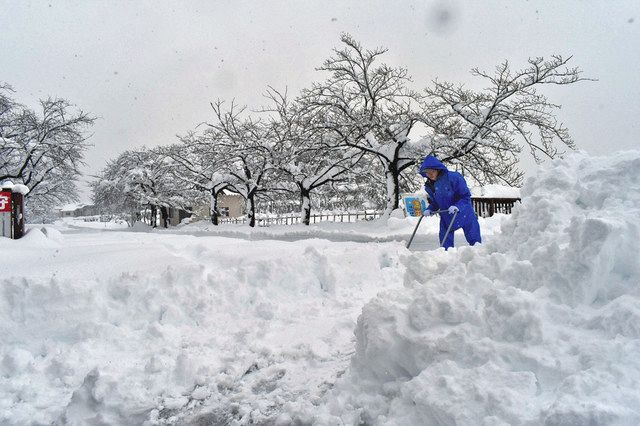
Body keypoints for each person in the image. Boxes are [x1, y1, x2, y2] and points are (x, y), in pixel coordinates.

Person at [419, 155, 481, 249]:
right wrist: (430, 209)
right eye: (427, 172)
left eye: (432, 171)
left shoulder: (454, 177)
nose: (430, 174)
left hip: (465, 214)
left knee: (476, 243)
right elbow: (436, 202)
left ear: (438, 169)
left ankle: (480, 257)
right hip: (447, 217)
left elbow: (465, 197)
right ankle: (447, 260)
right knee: (445, 246)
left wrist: (457, 206)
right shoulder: (429, 186)